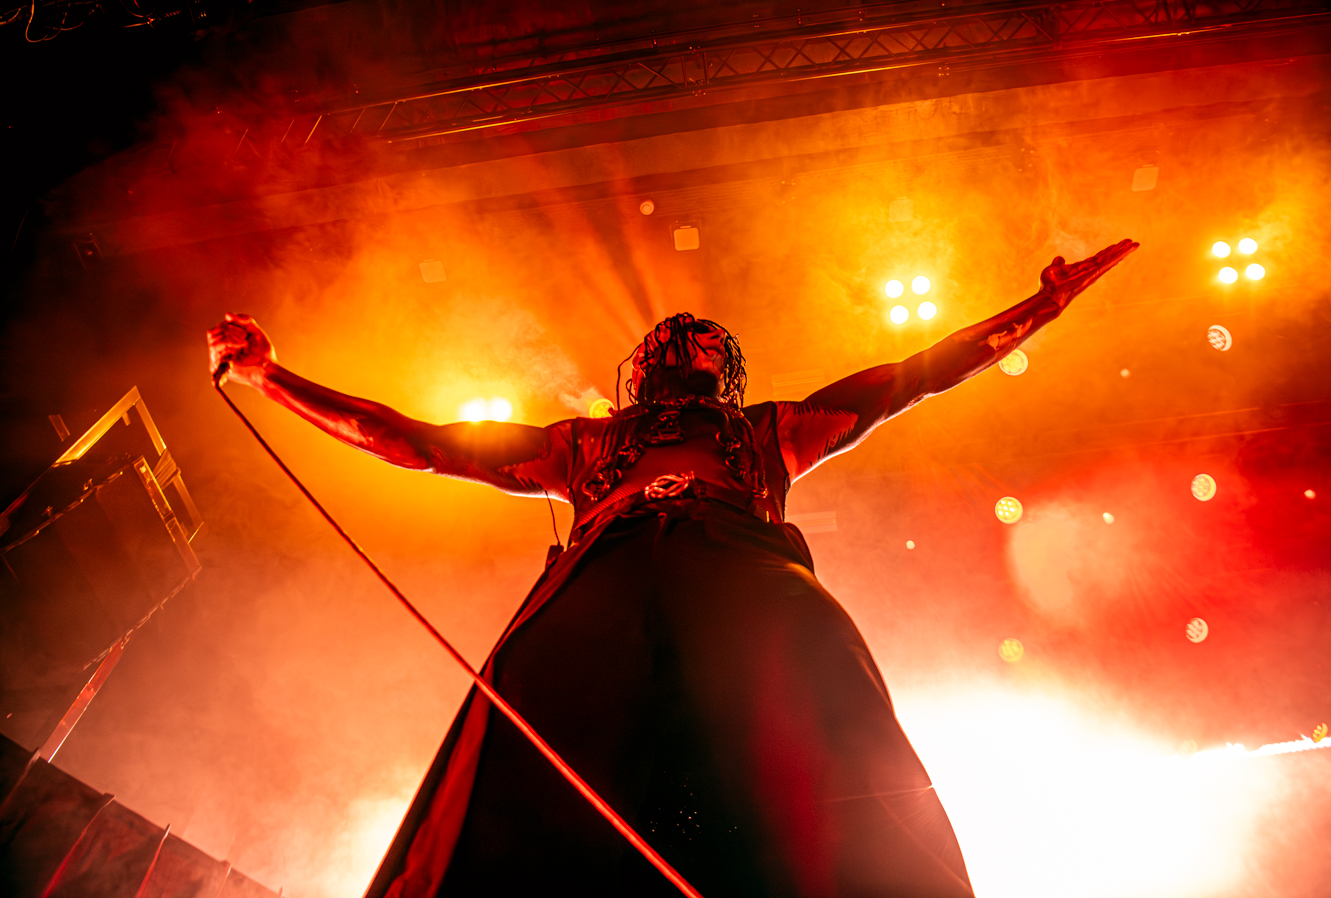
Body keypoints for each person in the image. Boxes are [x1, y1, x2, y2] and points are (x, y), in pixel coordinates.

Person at [207, 239, 1137, 898]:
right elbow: (416, 442)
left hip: (741, 566)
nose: (682, 337)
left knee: (816, 678)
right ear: (642, 367)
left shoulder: (773, 431)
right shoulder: (581, 446)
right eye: (666, 337)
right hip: (602, 575)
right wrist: (271, 377)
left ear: (722, 367)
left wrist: (1039, 308)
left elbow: (917, 374)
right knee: (523, 704)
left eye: (701, 337)